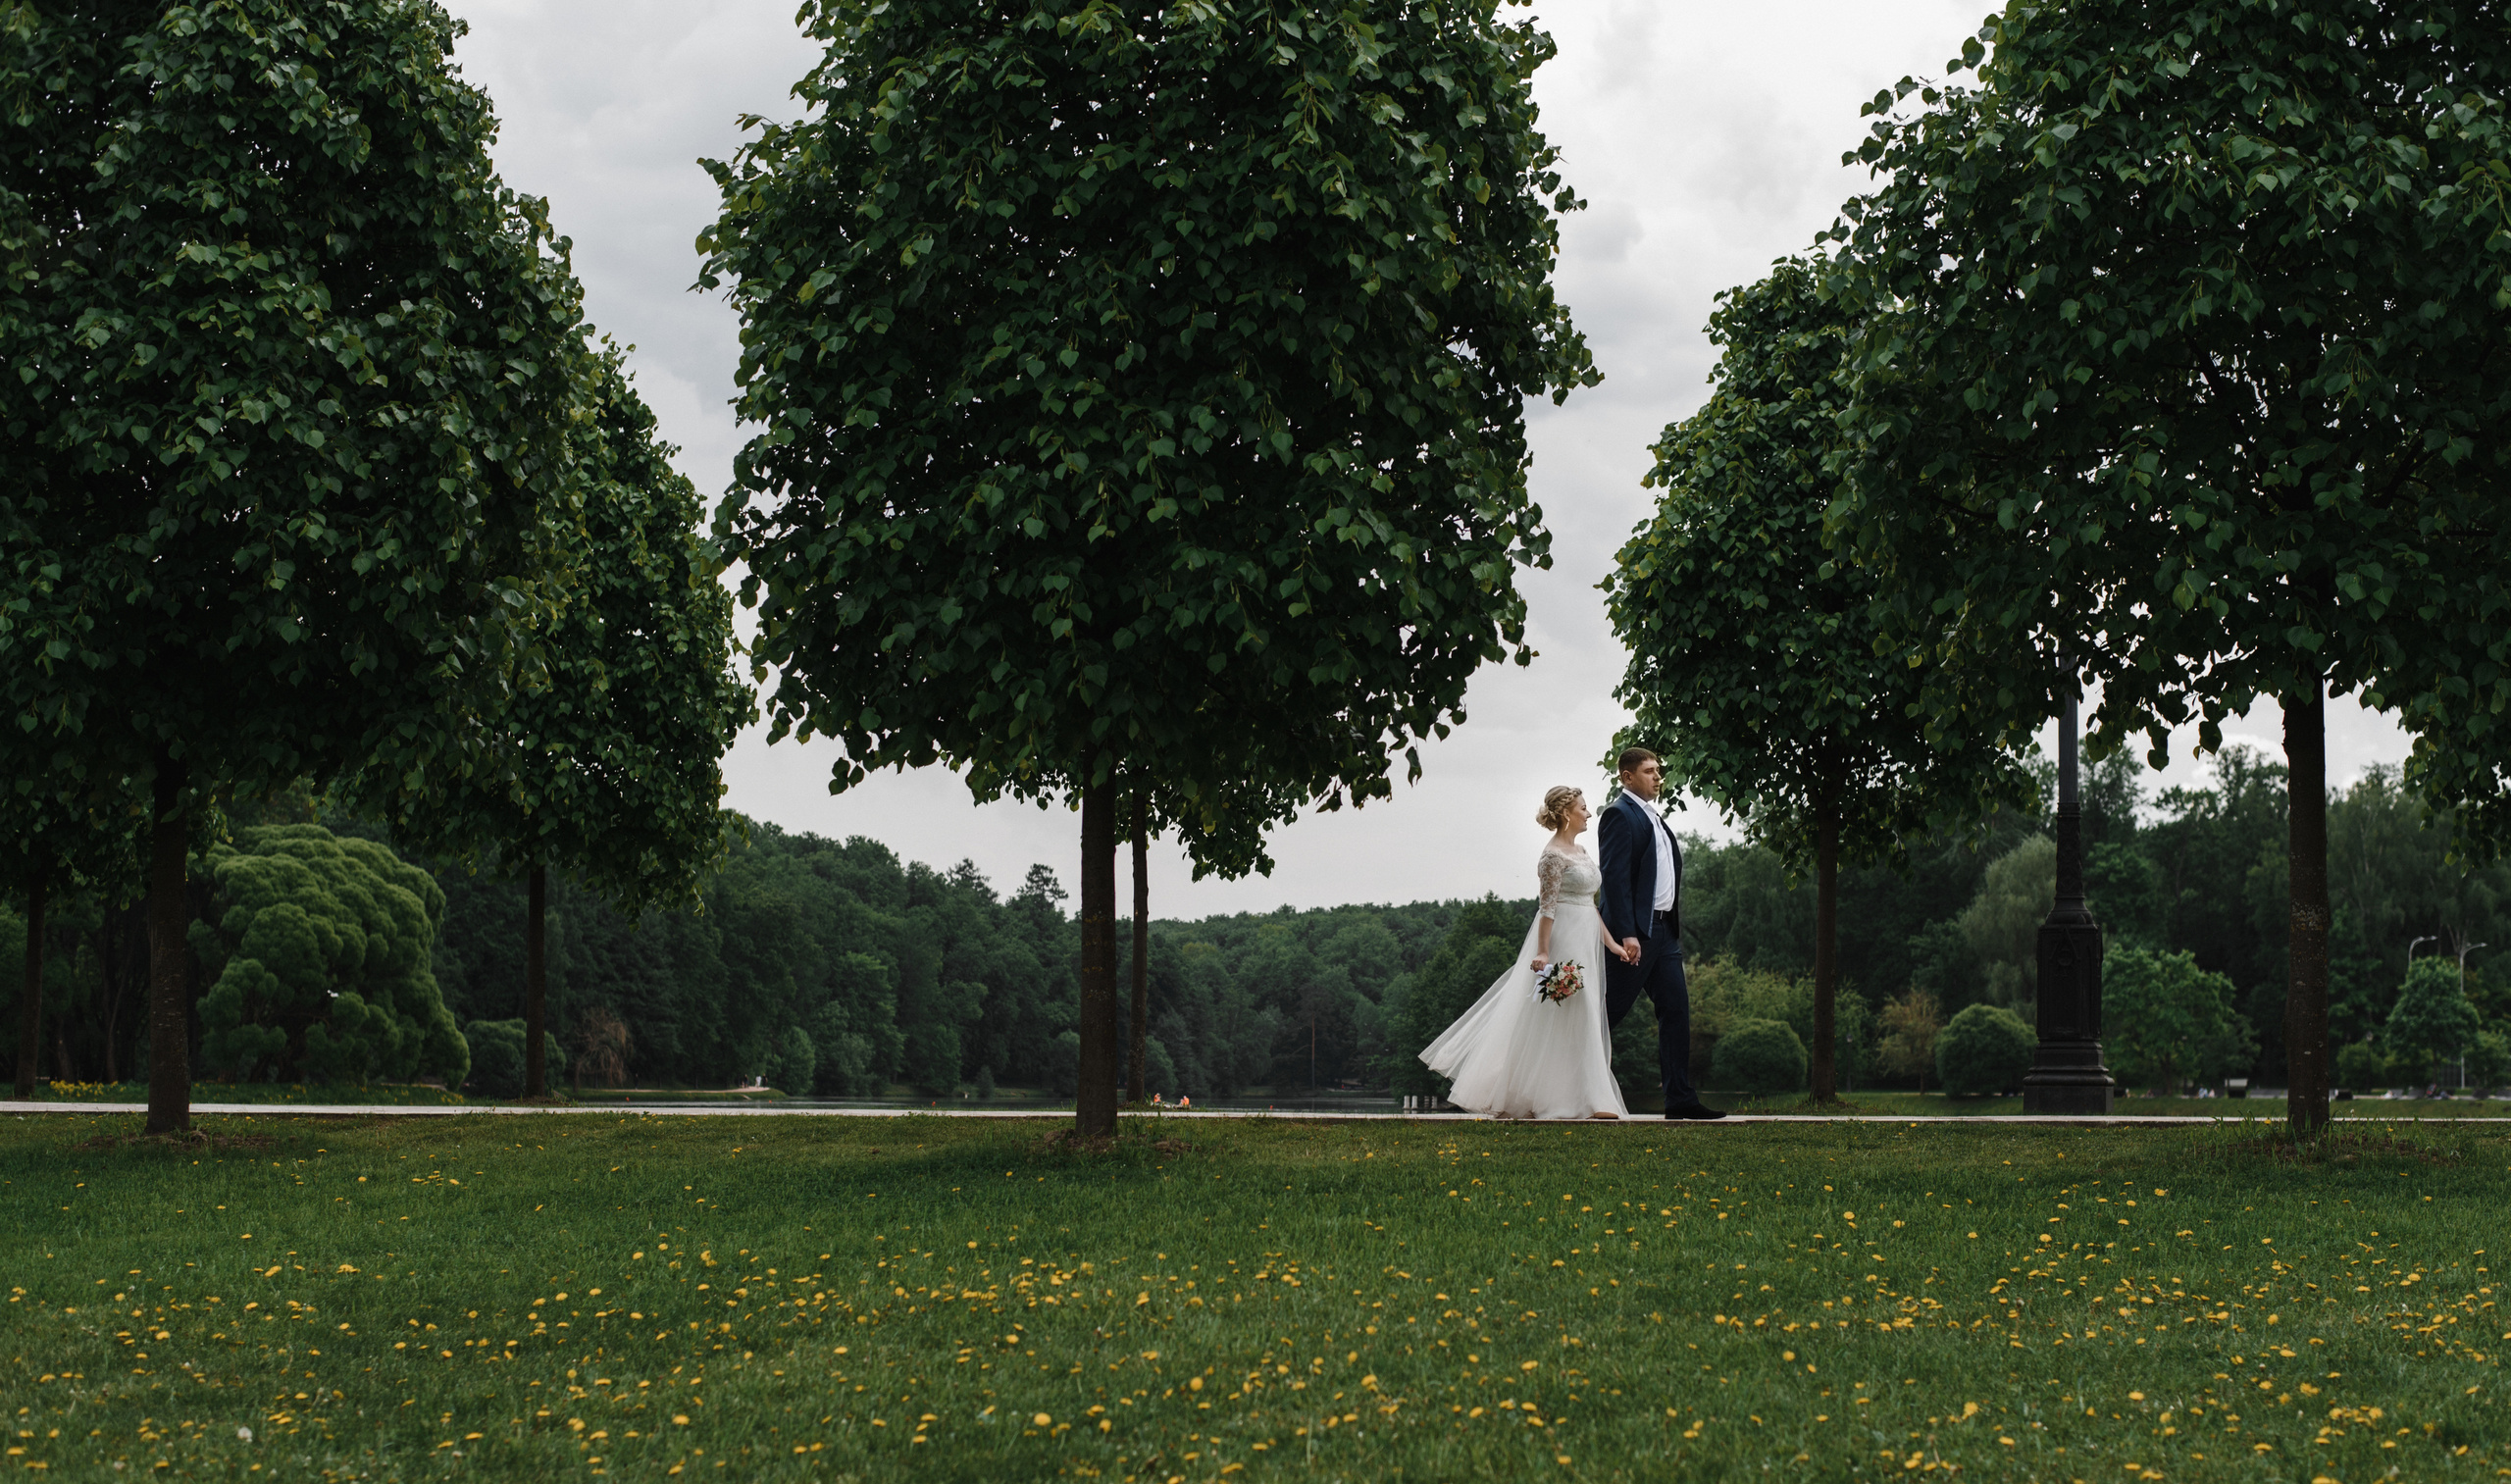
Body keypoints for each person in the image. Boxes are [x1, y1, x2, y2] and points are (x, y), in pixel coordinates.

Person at [1418, 786, 1629, 1120]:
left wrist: (1613, 944)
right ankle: (1551, 1098)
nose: (1589, 814)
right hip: (1562, 941)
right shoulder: (1551, 857)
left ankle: (1593, 1098)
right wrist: (1544, 952)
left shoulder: (1584, 851)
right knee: (1559, 1015)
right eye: (1583, 808)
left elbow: (1590, 907)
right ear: (1566, 814)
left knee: (1588, 1011)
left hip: (1587, 940)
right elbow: (1547, 908)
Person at [1597, 747, 1724, 1120]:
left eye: (1658, 771)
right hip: (1635, 934)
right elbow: (1615, 881)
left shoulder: (1654, 817)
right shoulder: (1619, 815)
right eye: (1650, 771)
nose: (1658, 777)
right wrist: (1627, 933)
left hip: (1665, 931)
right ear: (1627, 777)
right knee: (1606, 1013)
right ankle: (1558, 1081)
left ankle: (1680, 1099)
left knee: (1675, 1010)